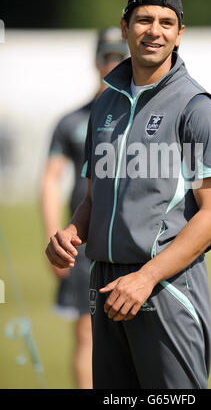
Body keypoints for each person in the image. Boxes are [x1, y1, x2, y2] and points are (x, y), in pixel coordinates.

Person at [45, 0, 211, 389]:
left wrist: (146, 278)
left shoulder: (197, 109)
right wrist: (71, 234)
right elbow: (95, 198)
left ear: (180, 33)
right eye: (144, 19)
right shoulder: (105, 104)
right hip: (104, 283)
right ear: (125, 25)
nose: (155, 30)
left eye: (167, 22)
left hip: (165, 285)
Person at [41, 28, 128, 389]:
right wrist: (55, 237)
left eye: (118, 57)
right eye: (106, 57)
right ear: (95, 61)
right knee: (86, 335)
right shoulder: (71, 121)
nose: (112, 64)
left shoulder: (137, 117)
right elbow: (49, 180)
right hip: (83, 242)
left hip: (125, 240)